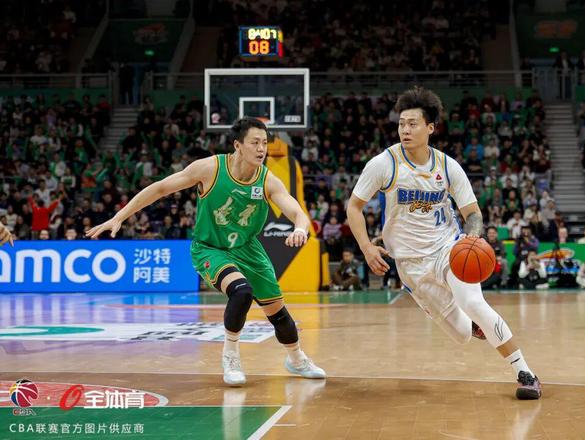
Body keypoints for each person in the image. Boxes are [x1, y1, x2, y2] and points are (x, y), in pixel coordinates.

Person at [88, 117, 325, 386]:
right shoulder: (210, 168)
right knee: (241, 291)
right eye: (255, 143)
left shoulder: (267, 180)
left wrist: (300, 229)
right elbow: (160, 188)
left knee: (279, 315)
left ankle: (296, 359)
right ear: (238, 145)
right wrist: (119, 217)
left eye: (264, 143)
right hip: (211, 248)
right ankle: (231, 356)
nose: (262, 149)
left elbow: (296, 211)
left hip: (248, 249)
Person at [346, 87, 541, 400]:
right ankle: (475, 324)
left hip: (449, 249)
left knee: (474, 303)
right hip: (410, 265)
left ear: (430, 128)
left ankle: (525, 373)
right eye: (401, 124)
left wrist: (471, 236)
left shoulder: (448, 166)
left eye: (412, 124)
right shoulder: (384, 164)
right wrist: (367, 247)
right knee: (462, 334)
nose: (405, 130)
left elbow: (472, 213)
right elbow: (354, 207)